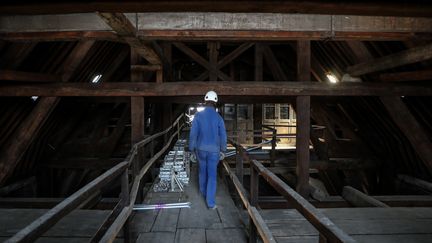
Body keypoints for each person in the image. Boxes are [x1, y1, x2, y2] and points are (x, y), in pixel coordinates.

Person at [189, 91, 227, 209]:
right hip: (214, 151)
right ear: (215, 102)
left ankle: (203, 193)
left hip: (200, 149)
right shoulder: (219, 117)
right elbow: (223, 135)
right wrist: (223, 150)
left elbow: (193, 134)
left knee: (202, 171)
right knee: (212, 175)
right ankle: (210, 203)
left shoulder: (198, 116)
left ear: (205, 101)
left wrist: (191, 149)